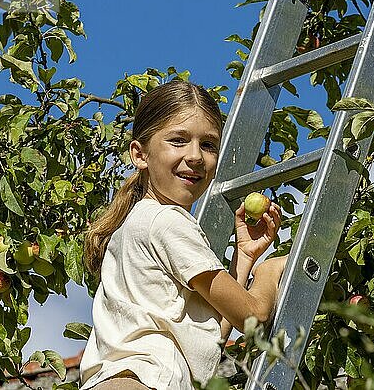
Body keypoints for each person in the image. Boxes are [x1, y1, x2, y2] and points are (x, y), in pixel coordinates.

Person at [79, 80, 288, 390]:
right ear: (140, 154)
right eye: (178, 140)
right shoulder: (167, 221)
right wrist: (270, 272)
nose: (195, 156)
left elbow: (206, 336)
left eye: (208, 144)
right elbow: (252, 317)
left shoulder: (133, 225)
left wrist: (243, 258)